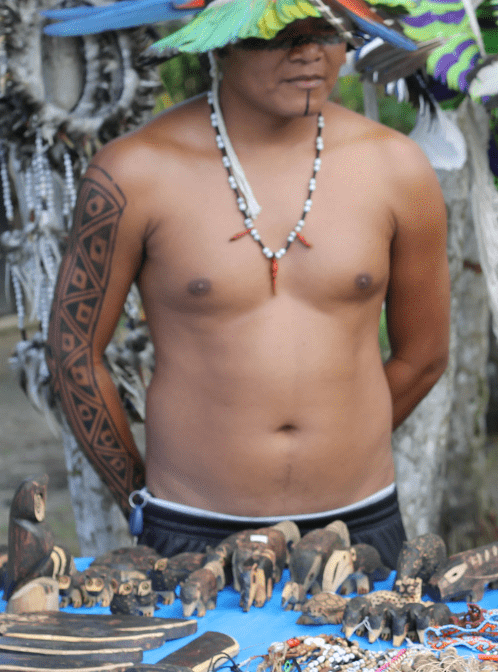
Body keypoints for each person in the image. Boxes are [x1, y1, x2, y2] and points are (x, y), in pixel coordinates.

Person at [45, 5, 450, 567]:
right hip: (191, 529)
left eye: (327, 34)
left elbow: (425, 355)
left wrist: (339, 435)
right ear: (219, 43)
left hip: (357, 526)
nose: (308, 52)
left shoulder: (397, 169)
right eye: (280, 32)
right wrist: (136, 500)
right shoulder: (135, 173)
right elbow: (72, 354)